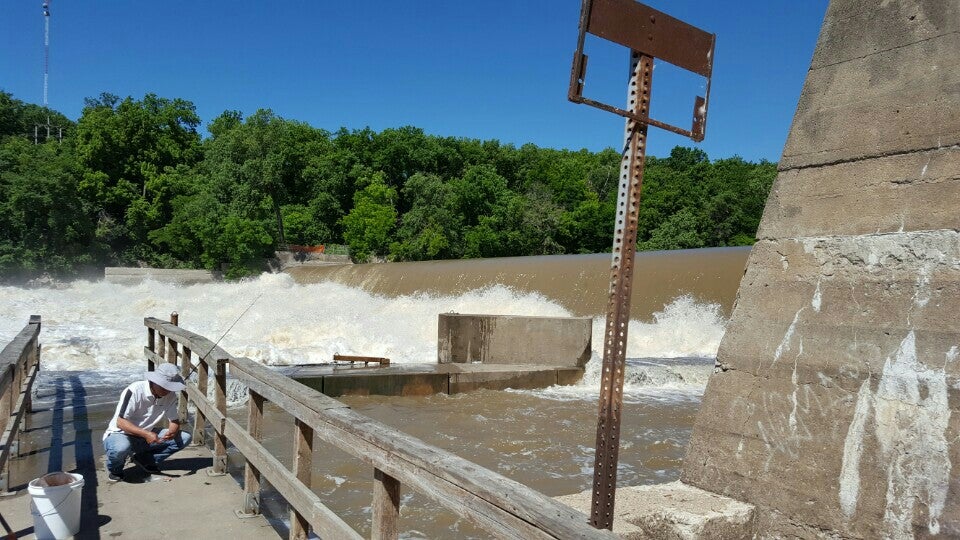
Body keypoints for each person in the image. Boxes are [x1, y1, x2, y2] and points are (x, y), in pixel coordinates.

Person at [102, 363, 192, 482]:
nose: (167, 391)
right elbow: (120, 422)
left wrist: (173, 430)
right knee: (121, 448)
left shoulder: (170, 395)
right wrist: (146, 434)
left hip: (147, 433)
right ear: (154, 382)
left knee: (185, 437)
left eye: (170, 387)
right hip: (120, 433)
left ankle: (145, 459)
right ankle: (115, 470)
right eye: (164, 387)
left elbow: (174, 420)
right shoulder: (134, 390)